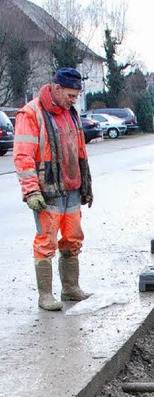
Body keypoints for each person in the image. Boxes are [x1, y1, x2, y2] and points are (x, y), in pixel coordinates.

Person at [13, 67, 93, 311]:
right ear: (57, 88)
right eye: (70, 95)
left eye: (76, 96)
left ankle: (70, 288)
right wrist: (31, 191)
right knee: (46, 241)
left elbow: (80, 152)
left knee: (72, 239)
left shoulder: (71, 113)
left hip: (71, 188)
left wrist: (86, 184)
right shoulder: (31, 114)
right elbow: (23, 156)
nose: (73, 100)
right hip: (47, 190)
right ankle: (45, 295)